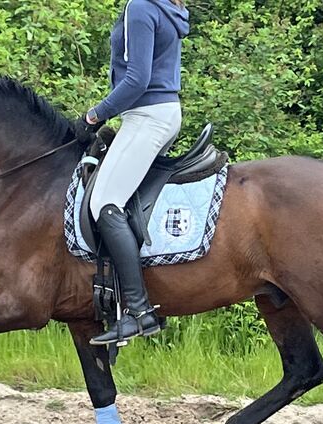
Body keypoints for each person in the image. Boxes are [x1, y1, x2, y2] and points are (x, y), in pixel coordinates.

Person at [75, 0, 190, 345]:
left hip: (147, 116)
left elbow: (136, 80)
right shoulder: (169, 8)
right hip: (163, 112)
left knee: (105, 203)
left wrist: (95, 115)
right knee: (123, 199)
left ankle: (139, 313)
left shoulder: (140, 6)